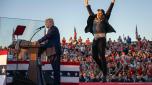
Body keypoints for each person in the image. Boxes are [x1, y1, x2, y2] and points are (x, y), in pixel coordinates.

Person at [84, 0, 116, 82]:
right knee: (94, 56)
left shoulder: (105, 18)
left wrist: (112, 2)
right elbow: (90, 11)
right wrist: (86, 4)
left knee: (101, 55)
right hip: (95, 39)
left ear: (103, 14)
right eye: (98, 13)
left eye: (101, 13)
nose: (99, 14)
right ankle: (104, 70)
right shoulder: (93, 18)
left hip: (102, 39)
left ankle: (104, 76)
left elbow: (109, 10)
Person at [34, 18, 61, 85]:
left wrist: (38, 41)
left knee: (56, 70)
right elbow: (48, 41)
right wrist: (41, 45)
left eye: (46, 23)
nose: (45, 24)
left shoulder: (54, 29)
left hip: (54, 52)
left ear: (50, 22)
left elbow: (47, 36)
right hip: (51, 52)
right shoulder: (50, 30)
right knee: (55, 70)